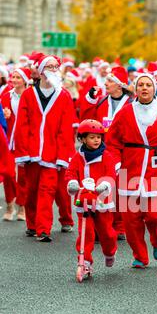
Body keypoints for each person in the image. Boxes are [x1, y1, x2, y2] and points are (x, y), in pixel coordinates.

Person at [106, 73, 157, 268]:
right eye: (140, 85)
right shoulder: (125, 112)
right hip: (130, 167)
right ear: (135, 89)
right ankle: (140, 256)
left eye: (148, 85)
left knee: (155, 216)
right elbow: (112, 142)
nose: (144, 88)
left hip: (156, 169)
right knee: (131, 220)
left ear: (154, 88)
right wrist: (116, 163)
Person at [14, 52, 75, 242]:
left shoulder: (64, 96)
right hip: (31, 153)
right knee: (30, 191)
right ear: (40, 72)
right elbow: (21, 125)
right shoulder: (28, 95)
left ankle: (43, 229)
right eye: (49, 67)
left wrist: (63, 157)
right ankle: (32, 224)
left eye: (56, 67)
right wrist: (22, 154)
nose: (54, 71)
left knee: (47, 191)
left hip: (52, 153)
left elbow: (66, 129)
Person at [80, 66, 133, 240]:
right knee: (100, 188)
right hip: (101, 151)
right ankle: (99, 226)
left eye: (110, 81)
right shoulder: (102, 101)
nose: (106, 83)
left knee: (121, 189)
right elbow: (87, 121)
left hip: (124, 151)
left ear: (119, 85)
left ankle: (119, 227)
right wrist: (89, 99)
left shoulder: (131, 102)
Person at [65, 119, 117, 278]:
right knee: (85, 233)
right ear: (82, 139)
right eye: (92, 137)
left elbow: (110, 175)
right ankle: (85, 262)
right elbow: (70, 173)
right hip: (84, 201)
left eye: (99, 137)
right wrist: (72, 183)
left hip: (102, 202)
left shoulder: (106, 156)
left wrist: (104, 186)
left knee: (107, 234)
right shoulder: (77, 156)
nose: (96, 140)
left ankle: (110, 252)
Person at [1, 67, 31, 221]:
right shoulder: (6, 96)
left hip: (25, 142)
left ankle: (22, 207)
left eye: (18, 77)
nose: (14, 80)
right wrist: (4, 116)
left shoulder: (31, 96)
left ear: (25, 80)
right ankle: (9, 205)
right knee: (8, 174)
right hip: (8, 141)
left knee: (24, 176)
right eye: (13, 77)